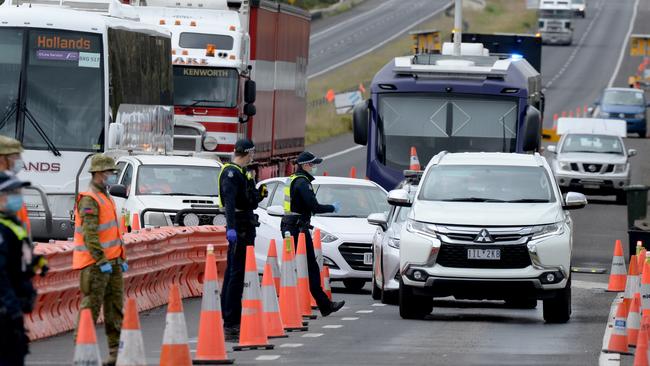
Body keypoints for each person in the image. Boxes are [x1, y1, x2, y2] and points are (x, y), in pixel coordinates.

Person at [72, 154, 126, 366]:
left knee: (115, 309)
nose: (111, 176)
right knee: (90, 309)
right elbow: (90, 234)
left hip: (112, 263)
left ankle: (115, 353)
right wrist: (101, 260)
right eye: (109, 173)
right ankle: (82, 353)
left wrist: (120, 257)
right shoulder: (89, 199)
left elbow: (111, 233)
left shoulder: (106, 196)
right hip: (95, 265)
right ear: (98, 174)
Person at [281, 151, 345, 317]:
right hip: (297, 230)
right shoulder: (302, 182)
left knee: (297, 266)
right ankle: (323, 305)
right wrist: (332, 208)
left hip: (291, 227)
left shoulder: (294, 178)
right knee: (309, 268)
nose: (315, 167)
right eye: (313, 164)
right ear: (305, 165)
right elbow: (313, 206)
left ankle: (324, 305)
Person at [218, 139, 267, 340]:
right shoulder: (231, 173)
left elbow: (248, 200)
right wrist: (231, 229)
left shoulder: (243, 172)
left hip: (245, 224)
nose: (253, 156)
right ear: (247, 152)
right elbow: (230, 203)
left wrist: (259, 195)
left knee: (235, 273)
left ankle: (231, 319)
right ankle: (230, 323)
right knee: (235, 274)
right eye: (252, 153)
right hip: (238, 226)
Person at [0, 172, 36, 366]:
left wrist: (34, 263)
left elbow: (18, 258)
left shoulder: (13, 224)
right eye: (12, 192)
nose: (17, 197)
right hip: (5, 310)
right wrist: (11, 305)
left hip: (13, 311)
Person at [0, 136, 30, 233]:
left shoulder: (11, 181)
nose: (19, 160)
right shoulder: (5, 185)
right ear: (2, 159)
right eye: (15, 156)